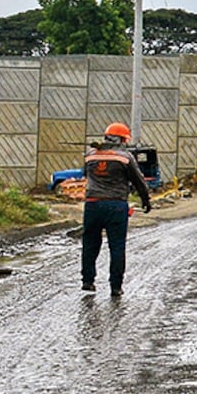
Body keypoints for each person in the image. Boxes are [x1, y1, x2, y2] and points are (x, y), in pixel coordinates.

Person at [81, 122, 151, 297]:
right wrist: (146, 200)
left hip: (92, 204)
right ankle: (116, 287)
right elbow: (138, 180)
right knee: (117, 246)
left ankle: (88, 281)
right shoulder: (125, 157)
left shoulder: (90, 156)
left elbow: (85, 175)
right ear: (121, 139)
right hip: (116, 205)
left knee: (90, 243)